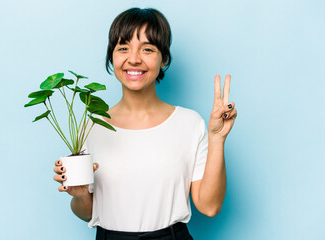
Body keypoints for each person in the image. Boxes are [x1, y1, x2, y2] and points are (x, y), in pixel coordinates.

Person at [53, 7, 237, 240]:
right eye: (123, 48)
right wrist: (79, 196)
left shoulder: (190, 124)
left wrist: (217, 139)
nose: (133, 59)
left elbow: (209, 207)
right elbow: (87, 213)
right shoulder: (92, 126)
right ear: (112, 56)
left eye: (147, 49)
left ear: (164, 59)